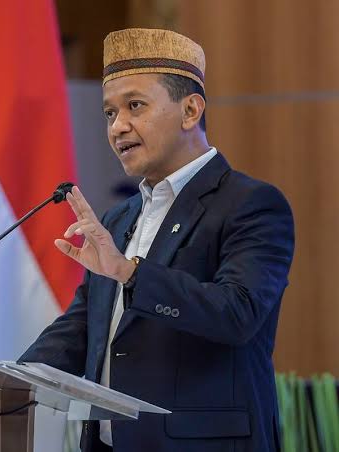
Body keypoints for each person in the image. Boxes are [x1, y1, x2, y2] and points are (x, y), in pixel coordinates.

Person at [19, 28, 294, 452]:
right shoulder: (119, 218)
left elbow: (237, 314)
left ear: (190, 110)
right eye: (109, 113)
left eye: (135, 106)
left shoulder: (251, 204)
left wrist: (129, 272)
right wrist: (6, 380)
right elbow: (85, 327)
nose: (118, 127)